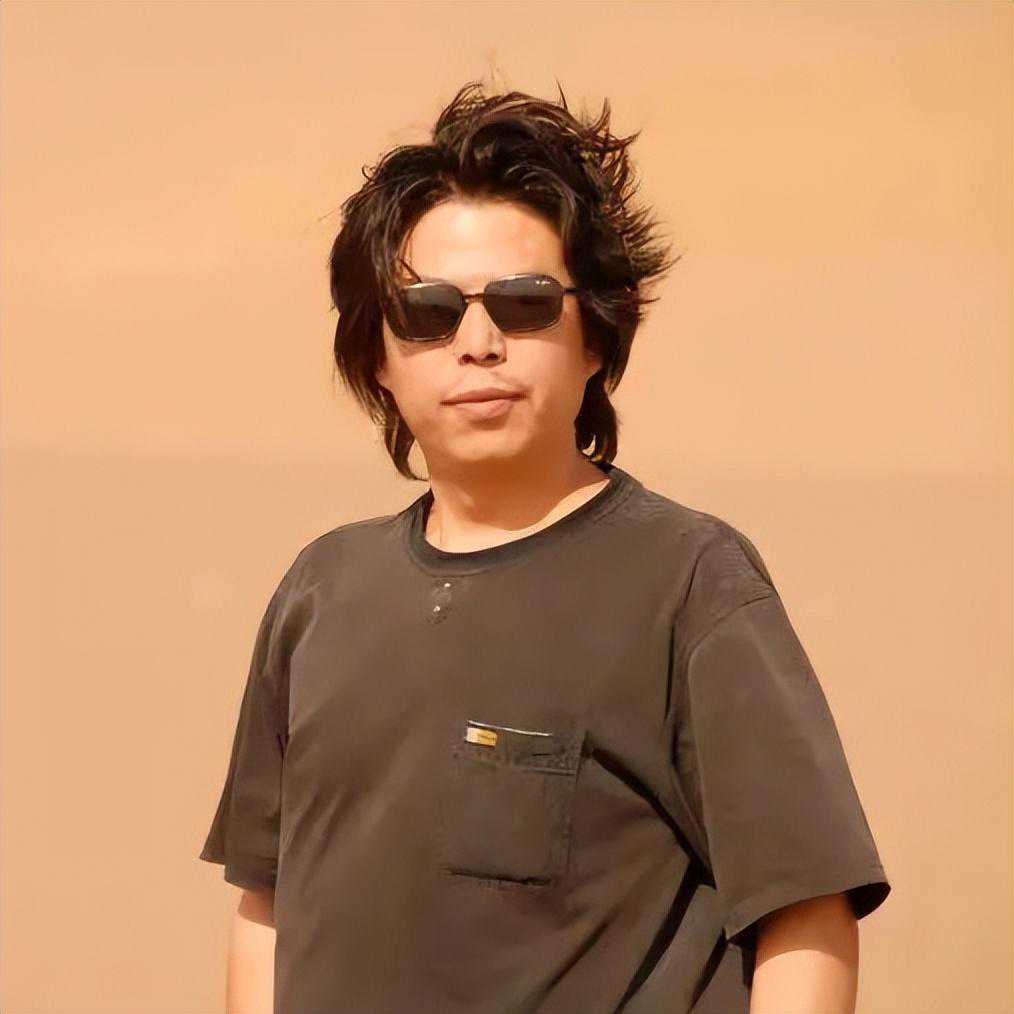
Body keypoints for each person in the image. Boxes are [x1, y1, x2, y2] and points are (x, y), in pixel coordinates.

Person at [199, 79, 891, 1014]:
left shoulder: (689, 584)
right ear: (376, 357)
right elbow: (265, 902)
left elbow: (806, 914)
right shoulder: (321, 591)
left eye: (524, 303)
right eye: (428, 311)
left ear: (596, 335)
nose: (478, 342)